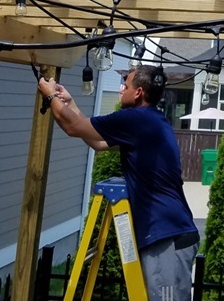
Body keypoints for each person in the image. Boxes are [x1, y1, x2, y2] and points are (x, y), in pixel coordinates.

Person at [38, 66, 199, 301]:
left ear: (138, 93)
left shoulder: (134, 120)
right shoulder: (151, 121)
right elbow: (98, 142)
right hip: (175, 230)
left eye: (126, 84)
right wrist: (69, 102)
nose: (121, 89)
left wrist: (49, 95)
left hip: (164, 235)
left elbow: (73, 127)